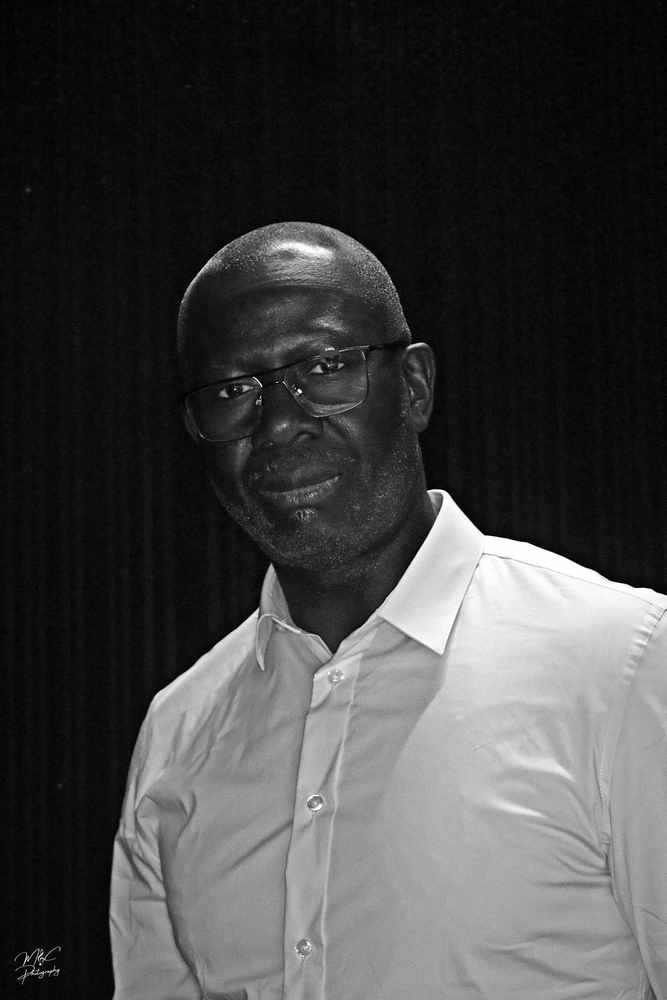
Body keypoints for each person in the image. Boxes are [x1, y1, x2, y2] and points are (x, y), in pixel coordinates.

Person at [110, 222, 667, 1000]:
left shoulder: (623, 662)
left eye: (323, 368)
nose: (279, 423)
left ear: (412, 387)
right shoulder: (179, 731)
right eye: (232, 392)